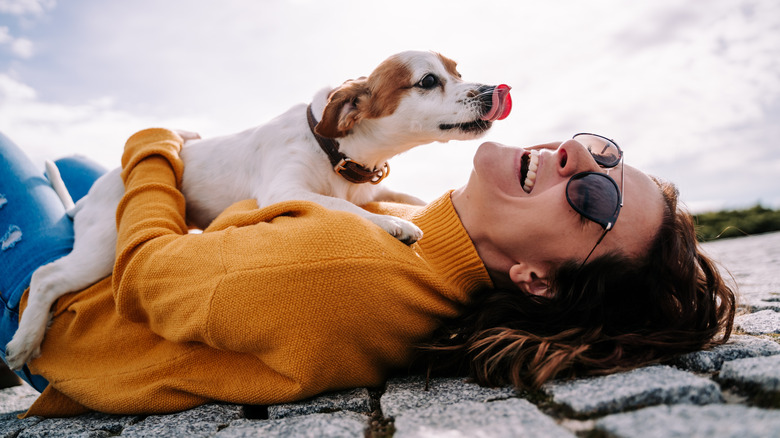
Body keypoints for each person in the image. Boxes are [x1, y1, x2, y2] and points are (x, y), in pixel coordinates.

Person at [0, 128, 735, 417]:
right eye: (601, 153)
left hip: (69, 319)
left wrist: (157, 145)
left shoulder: (346, 269)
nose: (577, 159)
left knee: (20, 156)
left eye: (593, 198)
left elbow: (151, 279)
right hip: (111, 273)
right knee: (74, 169)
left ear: (536, 279)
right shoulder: (426, 229)